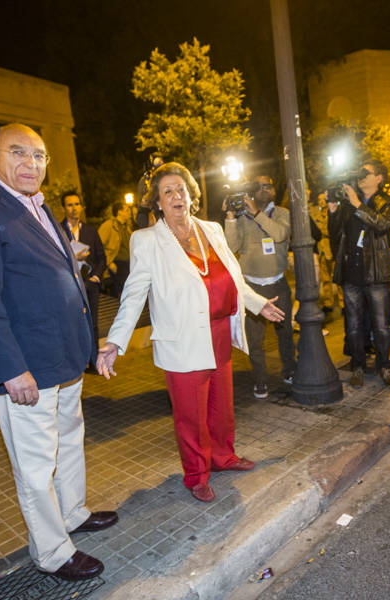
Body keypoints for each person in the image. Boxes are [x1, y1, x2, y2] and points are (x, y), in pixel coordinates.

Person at [0, 124, 117, 581]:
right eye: (18, 152)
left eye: (39, 156)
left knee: (70, 438)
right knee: (35, 463)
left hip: (65, 357)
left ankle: (74, 512)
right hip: (26, 367)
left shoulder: (38, 208)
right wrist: (9, 368)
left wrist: (89, 344)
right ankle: (53, 551)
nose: (31, 163)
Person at [96, 162, 285, 504]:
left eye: (181, 189)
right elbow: (134, 294)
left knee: (221, 407)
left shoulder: (211, 229)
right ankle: (196, 475)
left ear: (191, 196)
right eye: (167, 191)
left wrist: (258, 305)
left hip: (218, 333)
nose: (176, 196)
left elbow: (233, 278)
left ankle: (223, 457)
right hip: (182, 340)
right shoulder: (146, 240)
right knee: (190, 415)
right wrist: (114, 341)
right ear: (157, 201)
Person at [327, 159, 390, 389]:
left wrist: (357, 202)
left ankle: (384, 366)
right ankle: (357, 365)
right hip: (352, 273)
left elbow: (381, 225)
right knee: (354, 325)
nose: (361, 176)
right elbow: (335, 234)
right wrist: (332, 211)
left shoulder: (389, 202)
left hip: (377, 274)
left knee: (380, 325)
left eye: (366, 173)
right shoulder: (349, 204)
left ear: (379, 178)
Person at [224, 174, 295, 399]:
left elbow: (281, 234)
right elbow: (230, 246)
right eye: (260, 186)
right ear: (252, 192)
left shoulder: (282, 213)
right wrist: (231, 217)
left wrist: (256, 213)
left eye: (269, 185)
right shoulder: (242, 218)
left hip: (277, 283)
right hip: (252, 287)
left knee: (285, 333)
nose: (266, 189)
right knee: (254, 340)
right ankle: (260, 380)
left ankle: (290, 371)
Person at [60, 190, 106, 347]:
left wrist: (96, 277)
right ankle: (79, 362)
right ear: (63, 208)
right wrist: (73, 258)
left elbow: (102, 258)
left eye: (77, 204)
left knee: (92, 323)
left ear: (82, 207)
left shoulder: (90, 231)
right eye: (70, 205)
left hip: (90, 283)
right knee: (73, 324)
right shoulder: (58, 231)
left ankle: (94, 362)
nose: (74, 208)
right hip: (69, 285)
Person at [98, 200, 133, 299]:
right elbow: (99, 246)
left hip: (128, 263)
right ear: (119, 212)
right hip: (117, 264)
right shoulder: (109, 225)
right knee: (122, 292)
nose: (129, 212)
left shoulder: (126, 227)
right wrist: (109, 263)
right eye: (126, 210)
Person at [135, 153, 164, 228]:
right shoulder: (145, 181)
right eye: (157, 161)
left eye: (161, 161)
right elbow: (142, 203)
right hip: (151, 216)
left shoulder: (167, 177)